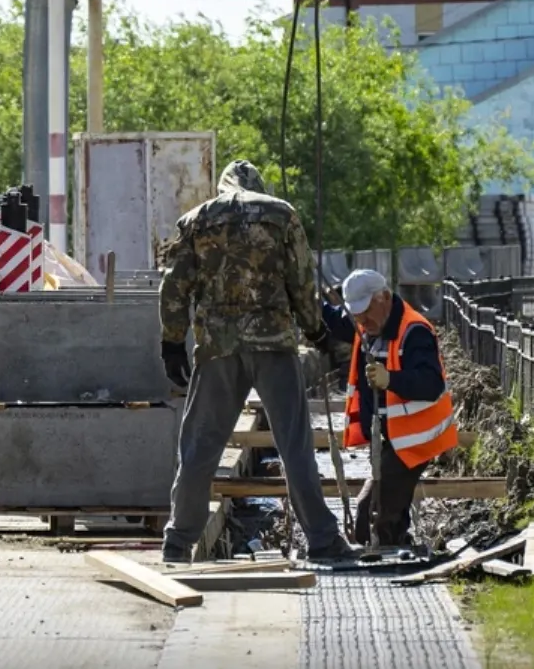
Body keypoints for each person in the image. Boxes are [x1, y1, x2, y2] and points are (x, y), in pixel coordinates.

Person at [157, 160, 357, 565]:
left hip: (218, 348)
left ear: (222, 185)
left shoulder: (197, 220)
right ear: (258, 185)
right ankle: (322, 539)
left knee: (199, 448)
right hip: (273, 345)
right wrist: (315, 330)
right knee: (294, 445)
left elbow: (175, 285)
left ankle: (179, 542)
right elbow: (302, 279)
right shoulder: (281, 214)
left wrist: (172, 341)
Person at [338, 268, 460, 549]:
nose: (362, 321)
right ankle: (400, 545)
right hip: (389, 437)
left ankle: (387, 556)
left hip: (415, 439)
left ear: (384, 297)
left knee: (371, 511)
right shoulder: (370, 325)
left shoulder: (414, 332)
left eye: (366, 312)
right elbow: (331, 320)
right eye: (356, 315)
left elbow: (431, 385)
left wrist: (390, 379)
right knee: (392, 504)